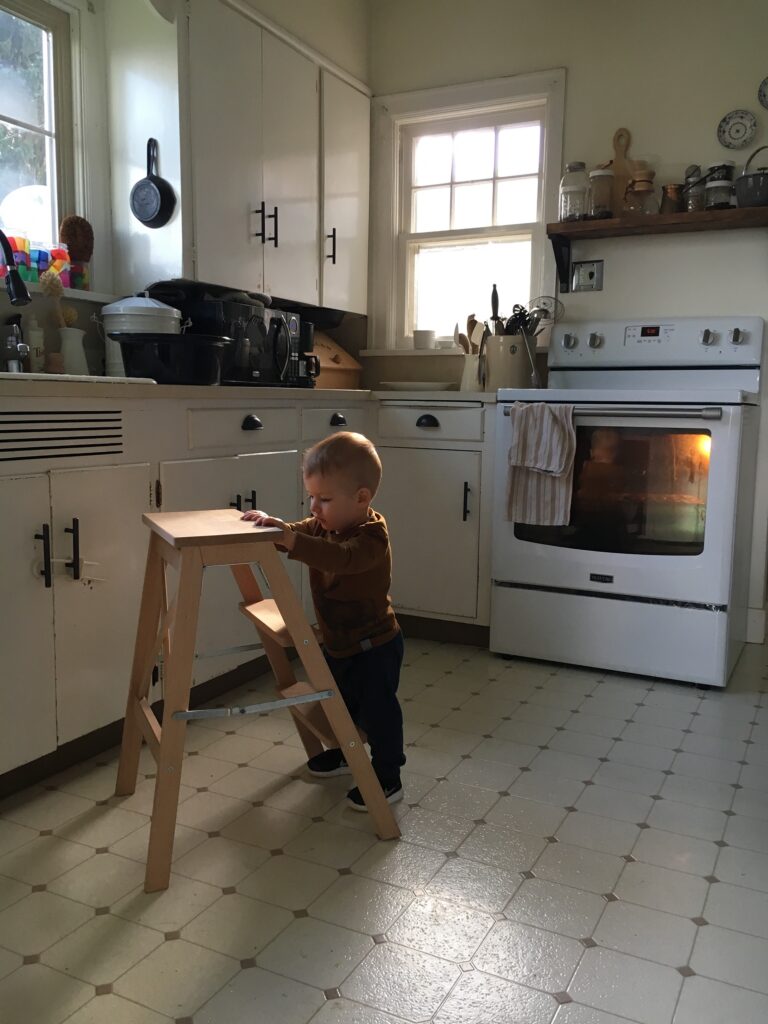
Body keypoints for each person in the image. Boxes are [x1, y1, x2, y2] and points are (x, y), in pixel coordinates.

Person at [241, 431, 405, 810]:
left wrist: (293, 543)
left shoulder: (371, 538)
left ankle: (387, 775)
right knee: (340, 705)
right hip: (338, 642)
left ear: (362, 498)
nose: (314, 507)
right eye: (311, 496)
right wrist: (275, 525)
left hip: (374, 645)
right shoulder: (323, 524)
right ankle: (346, 752)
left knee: (378, 712)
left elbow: (341, 559)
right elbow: (299, 531)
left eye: (325, 499)